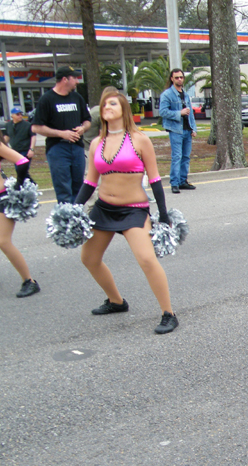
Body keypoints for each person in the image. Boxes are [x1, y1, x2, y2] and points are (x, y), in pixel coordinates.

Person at [72, 87, 179, 334]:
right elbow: (89, 182)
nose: (107, 107)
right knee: (89, 258)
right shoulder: (97, 143)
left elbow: (154, 180)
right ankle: (116, 301)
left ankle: (168, 313)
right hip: (103, 208)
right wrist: (74, 210)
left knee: (146, 259)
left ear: (123, 110)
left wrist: (163, 215)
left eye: (113, 104)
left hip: (133, 210)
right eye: (104, 104)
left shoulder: (140, 140)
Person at [31, 66, 91, 204]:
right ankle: (65, 221)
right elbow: (36, 127)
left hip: (77, 148)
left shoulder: (77, 98)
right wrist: (60, 133)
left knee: (79, 188)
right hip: (58, 148)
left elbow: (87, 120)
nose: (77, 81)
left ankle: (77, 219)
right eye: (74, 78)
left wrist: (83, 128)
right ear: (65, 79)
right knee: (64, 190)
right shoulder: (47, 99)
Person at [0, 141, 39, 297]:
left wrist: (18, 185)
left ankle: (29, 281)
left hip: (2, 198)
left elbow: (22, 161)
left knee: (3, 241)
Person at [159, 69, 197, 194]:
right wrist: (178, 113)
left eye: (181, 77)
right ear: (172, 79)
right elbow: (163, 112)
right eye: (176, 78)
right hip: (175, 130)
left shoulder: (185, 95)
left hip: (187, 130)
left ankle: (182, 181)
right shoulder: (167, 94)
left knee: (186, 157)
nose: (179, 79)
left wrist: (193, 128)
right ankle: (174, 183)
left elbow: (190, 113)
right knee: (177, 156)